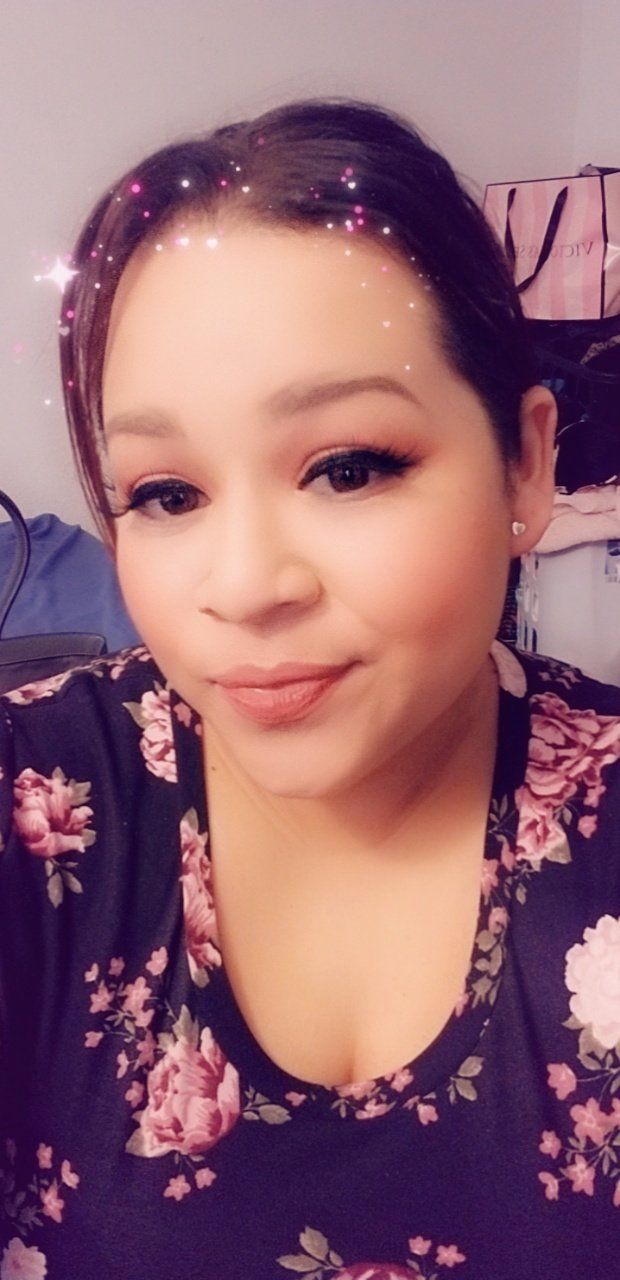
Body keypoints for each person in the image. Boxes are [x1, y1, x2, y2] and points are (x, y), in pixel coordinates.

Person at [1, 95, 619, 1280]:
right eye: (166, 494)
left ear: (526, 462)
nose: (243, 586)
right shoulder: (34, 813)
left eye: (346, 468)